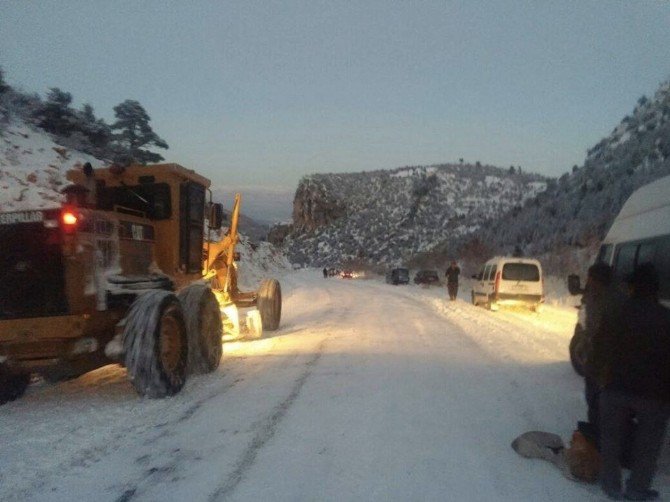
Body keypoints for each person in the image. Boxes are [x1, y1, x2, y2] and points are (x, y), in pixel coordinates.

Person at [593, 263, 670, 501]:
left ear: (633, 287)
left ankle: (611, 484)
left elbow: (598, 350)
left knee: (611, 439)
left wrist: (599, 381)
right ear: (655, 290)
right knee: (648, 446)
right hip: (654, 396)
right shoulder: (666, 318)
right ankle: (637, 489)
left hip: (615, 388)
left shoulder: (616, 312)